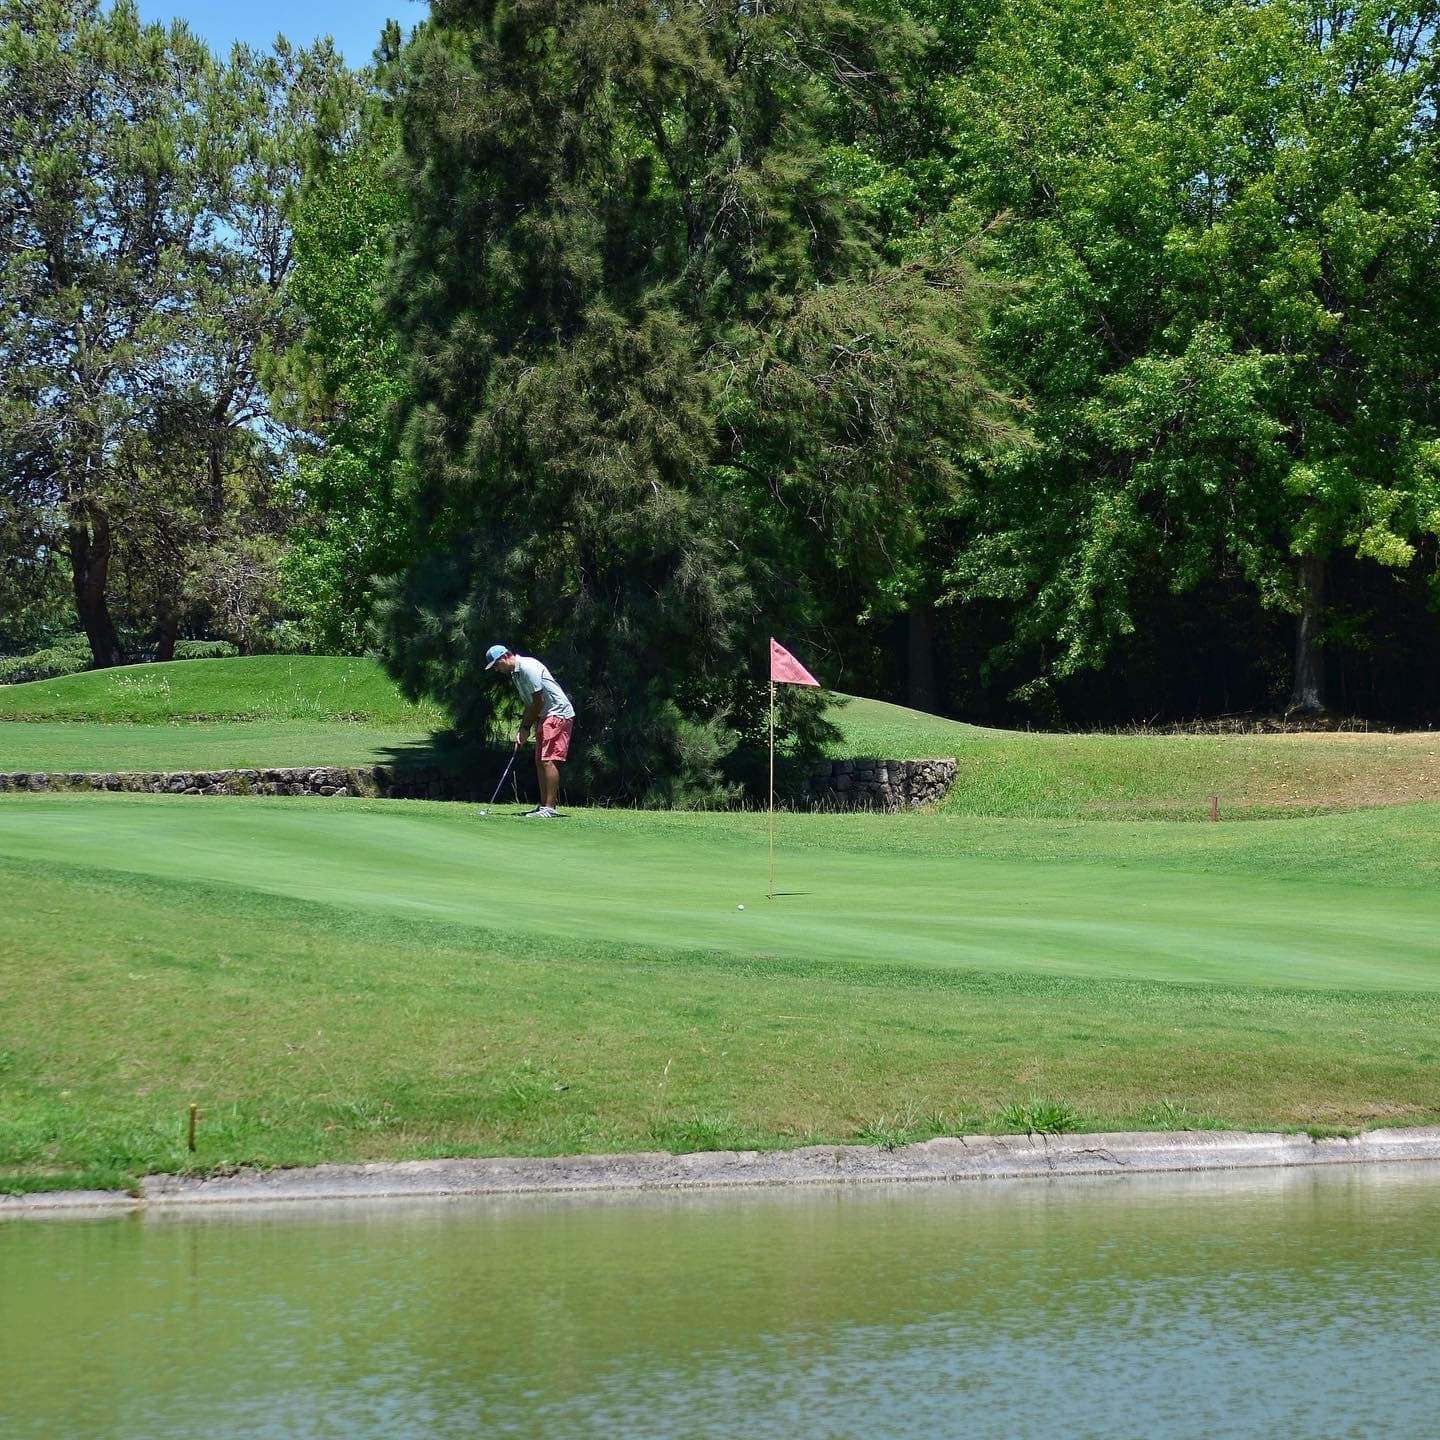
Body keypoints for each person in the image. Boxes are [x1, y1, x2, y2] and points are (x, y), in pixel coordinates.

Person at [484, 644, 575, 818]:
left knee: (549, 760)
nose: (496, 669)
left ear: (504, 657)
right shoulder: (516, 675)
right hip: (546, 715)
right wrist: (522, 729)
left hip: (558, 713)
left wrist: (526, 727)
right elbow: (529, 705)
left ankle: (550, 808)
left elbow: (538, 700)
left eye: (496, 665)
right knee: (540, 760)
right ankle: (543, 807)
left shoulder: (527, 667)